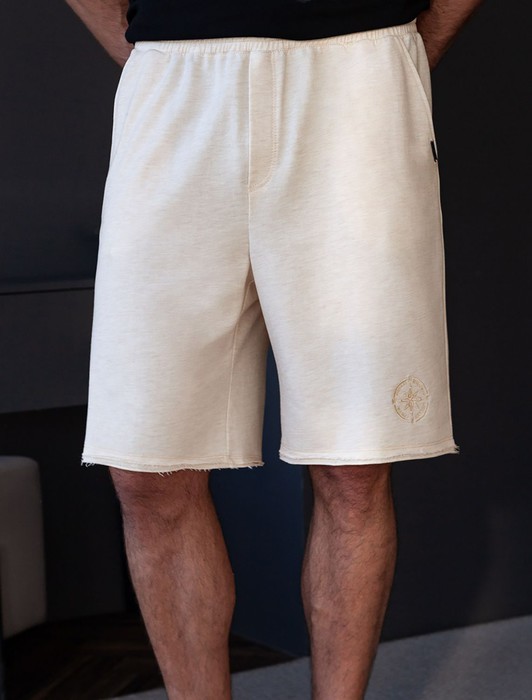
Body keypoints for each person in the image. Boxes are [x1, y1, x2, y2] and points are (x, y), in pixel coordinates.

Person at [65, 1, 483, 698]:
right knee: (148, 467)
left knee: (354, 462)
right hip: (174, 80)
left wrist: (400, 56)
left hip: (356, 68)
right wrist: (153, 49)